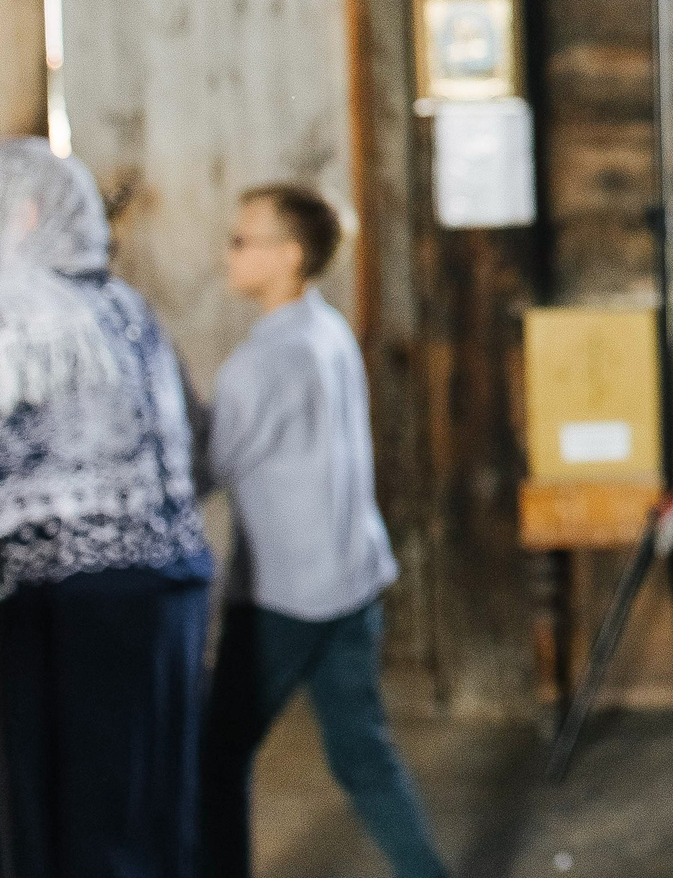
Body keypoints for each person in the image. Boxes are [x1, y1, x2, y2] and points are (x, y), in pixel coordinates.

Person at [198, 184, 444, 878]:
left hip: (285, 593)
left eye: (242, 239)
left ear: (289, 255)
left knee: (215, 757)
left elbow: (205, 466)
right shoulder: (325, 329)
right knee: (365, 755)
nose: (229, 252)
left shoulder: (259, 365)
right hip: (353, 577)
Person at [0, 137, 213, 878]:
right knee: (148, 791)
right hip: (166, 582)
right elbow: (195, 433)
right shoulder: (126, 307)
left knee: (62, 807)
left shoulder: (9, 317)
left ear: (22, 213)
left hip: (56, 599)